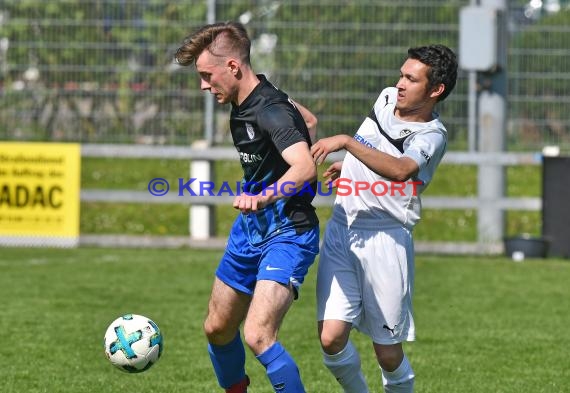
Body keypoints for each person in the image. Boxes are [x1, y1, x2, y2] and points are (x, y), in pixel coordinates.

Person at [174, 22, 319, 393]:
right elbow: (308, 121)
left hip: (287, 232)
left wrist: (267, 194)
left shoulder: (269, 111)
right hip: (251, 230)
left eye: (207, 75)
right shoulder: (250, 100)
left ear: (234, 68)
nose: (204, 85)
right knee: (217, 328)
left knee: (257, 334)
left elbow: (303, 166)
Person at [310, 44, 458, 393]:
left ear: (435, 90)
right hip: (342, 227)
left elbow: (401, 169)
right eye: (401, 74)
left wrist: (346, 143)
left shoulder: (431, 136)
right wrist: (350, 166)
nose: (400, 83)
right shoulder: (387, 97)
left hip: (386, 239)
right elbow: (374, 144)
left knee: (388, 355)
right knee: (331, 338)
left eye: (411, 78)